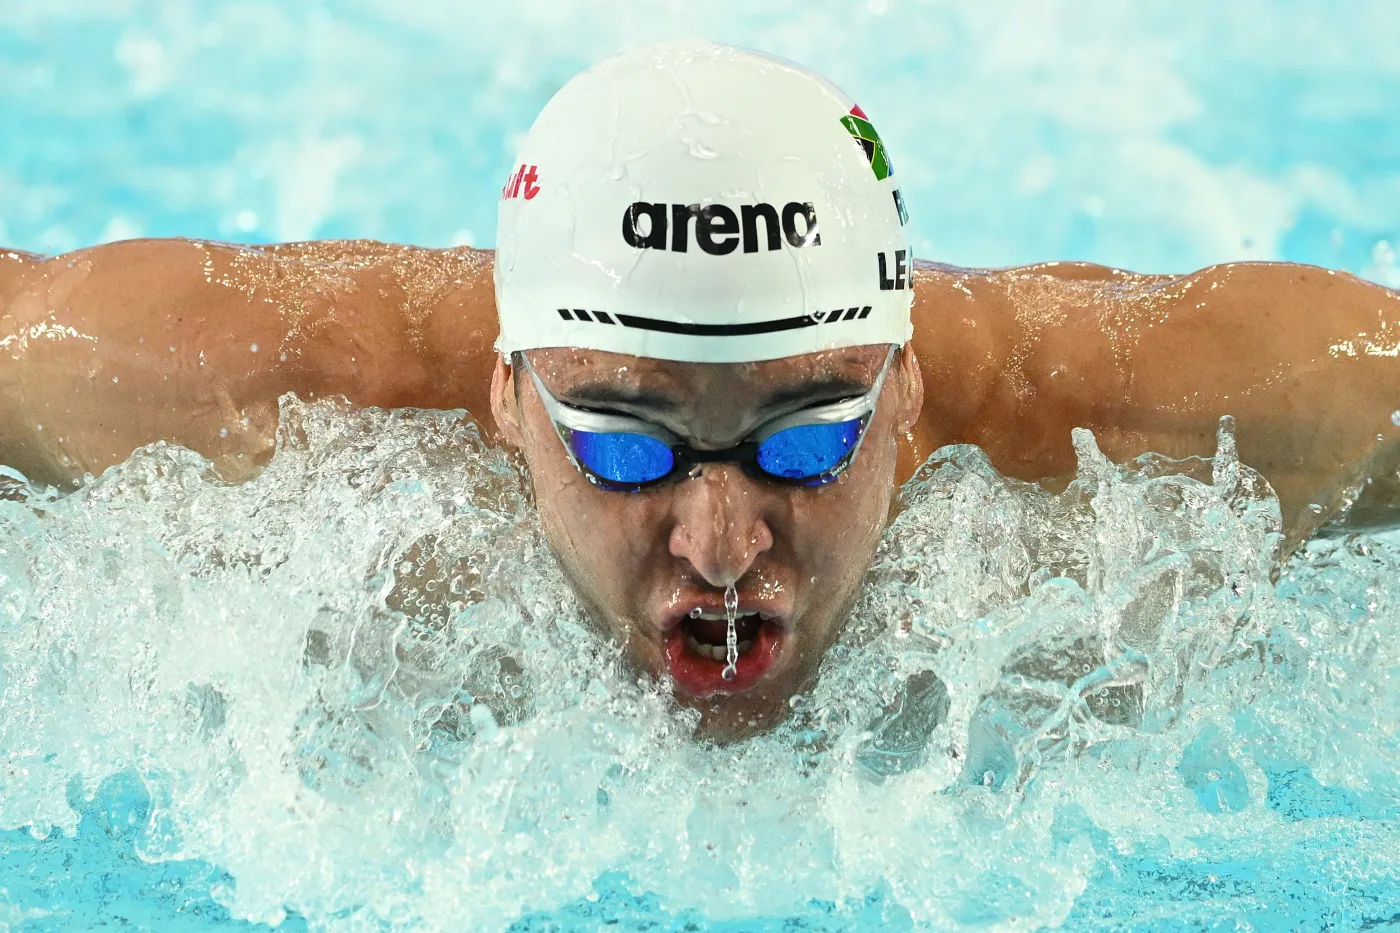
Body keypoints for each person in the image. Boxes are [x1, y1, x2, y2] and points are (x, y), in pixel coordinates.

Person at [2, 41, 1399, 737]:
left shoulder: (1140, 422)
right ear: (507, 397)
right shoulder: (286, 393)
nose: (723, 547)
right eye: (626, 448)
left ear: (905, 393)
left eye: (807, 440)